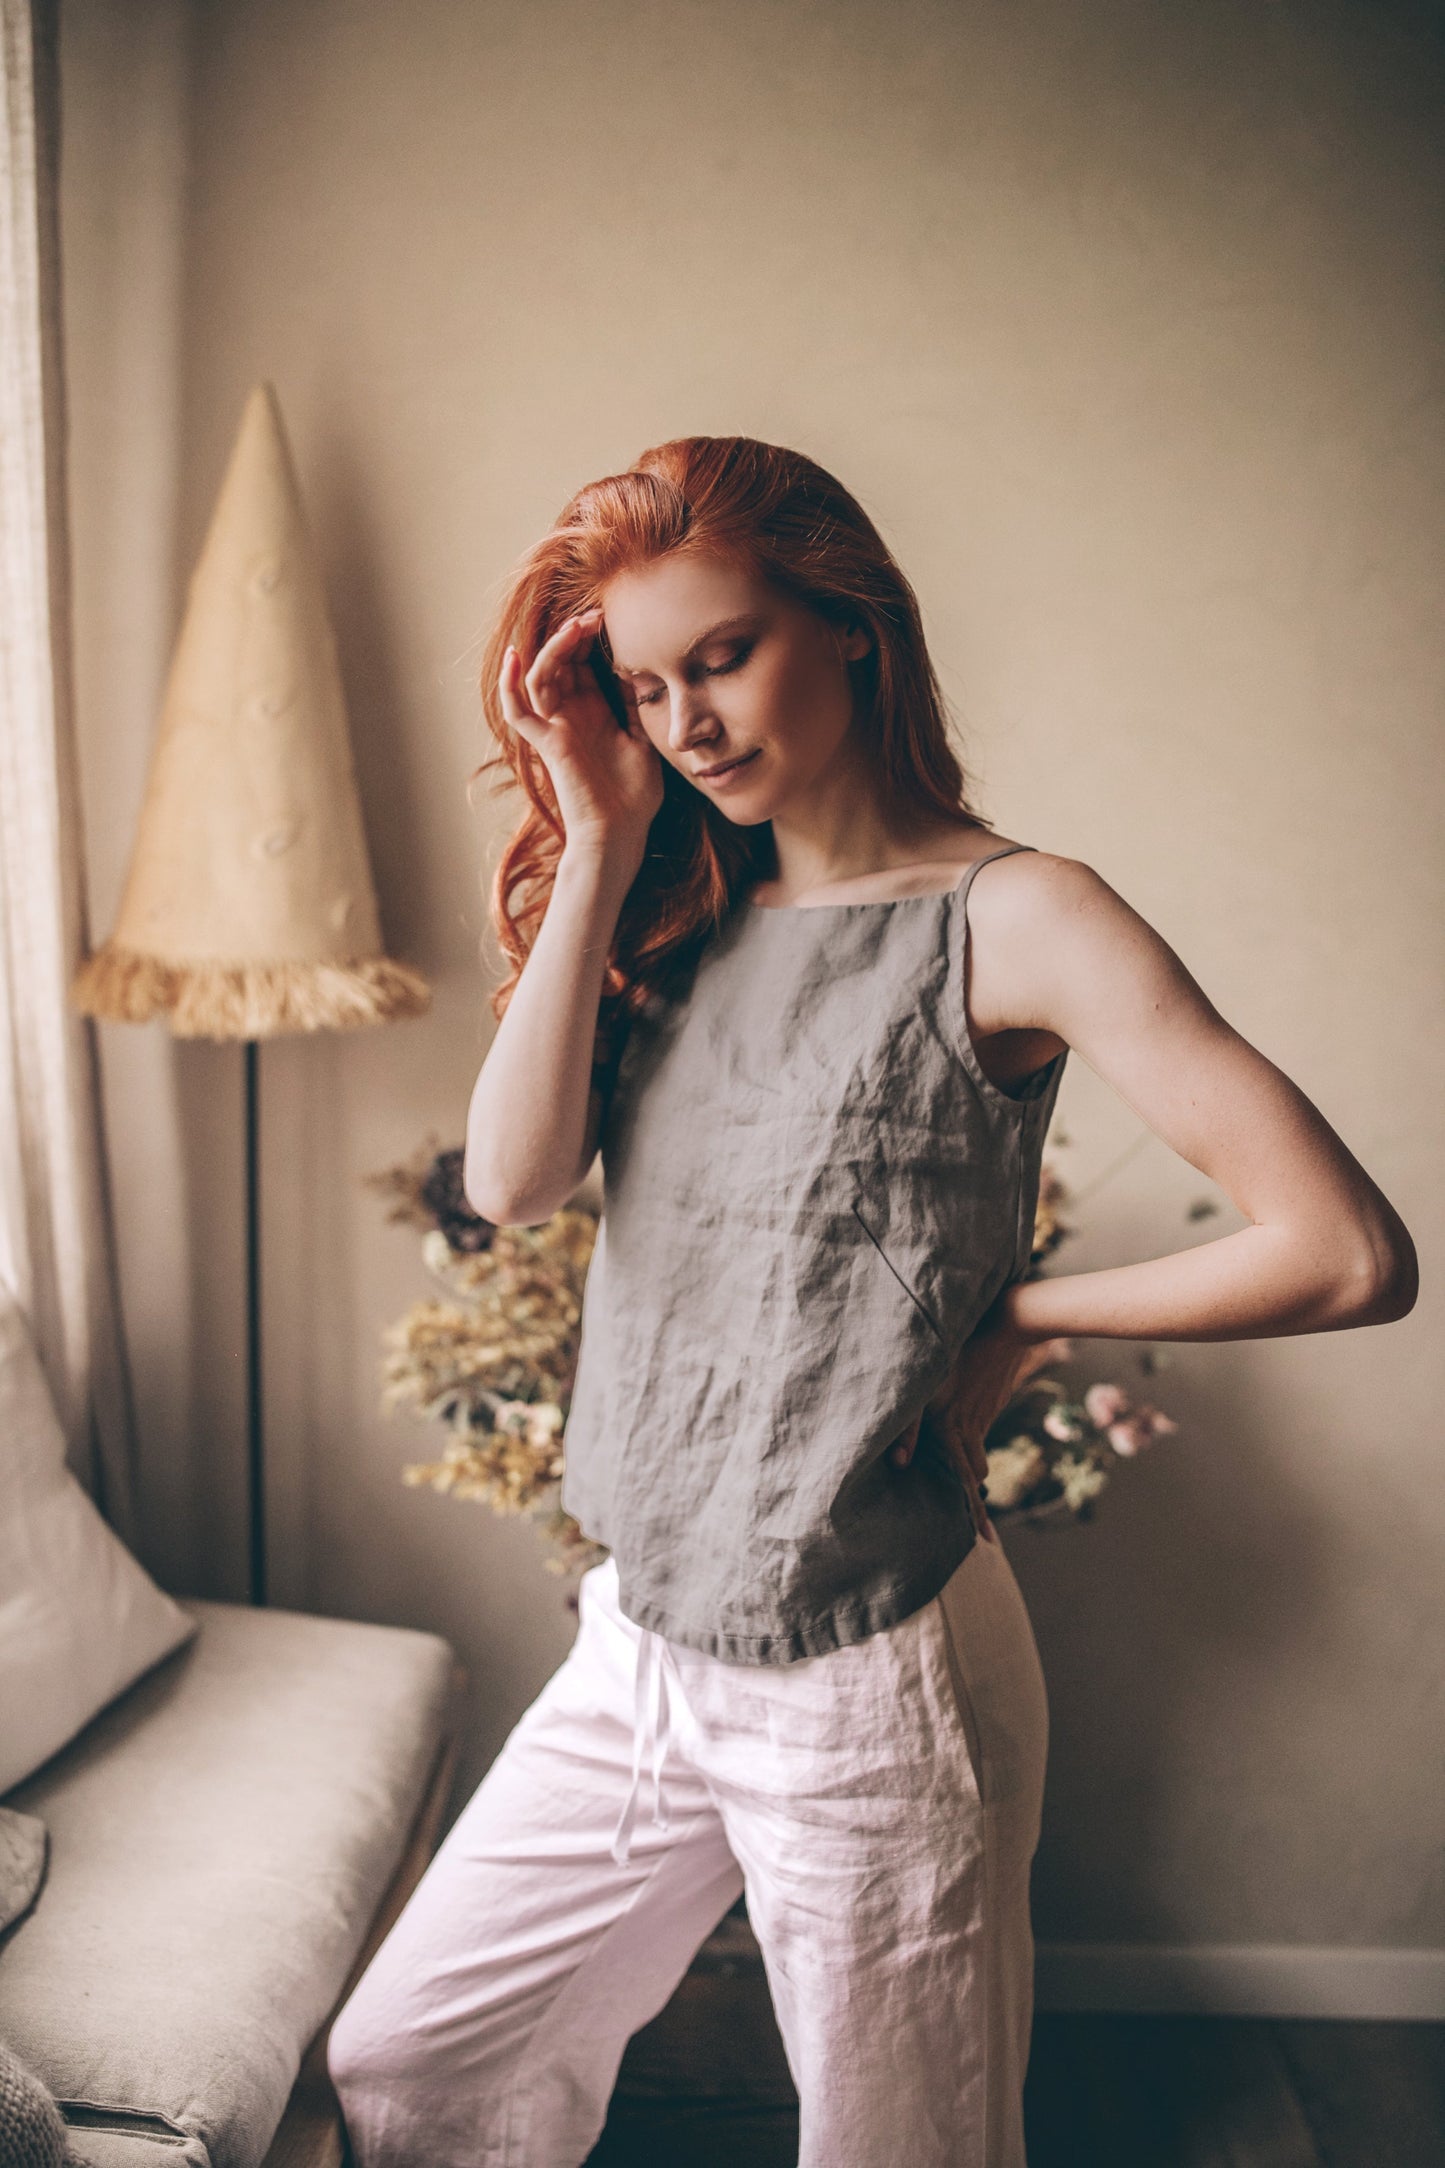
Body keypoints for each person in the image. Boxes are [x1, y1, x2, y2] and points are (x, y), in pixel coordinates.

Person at [326, 436, 1417, 2168]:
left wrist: (1022, 1319)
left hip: (871, 1673)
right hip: (643, 1634)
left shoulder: (1021, 915)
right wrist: (599, 832)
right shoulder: (674, 910)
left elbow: (1345, 1250)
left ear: (848, 625)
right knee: (413, 2064)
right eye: (642, 682)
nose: (686, 717)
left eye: (724, 655)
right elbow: (516, 1180)